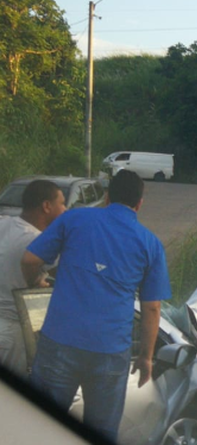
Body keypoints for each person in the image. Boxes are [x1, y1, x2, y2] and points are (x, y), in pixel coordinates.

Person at [21, 170, 171, 443]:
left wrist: (38, 281)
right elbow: (152, 308)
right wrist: (146, 357)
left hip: (60, 341)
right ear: (139, 203)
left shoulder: (74, 218)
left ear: (107, 197)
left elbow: (30, 259)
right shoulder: (151, 244)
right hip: (110, 351)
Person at [0, 180, 66, 378]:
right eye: (62, 204)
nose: (65, 210)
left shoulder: (4, 223)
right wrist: (37, 282)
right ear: (46, 206)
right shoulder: (39, 242)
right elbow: (66, 277)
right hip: (13, 331)